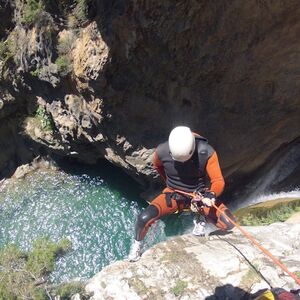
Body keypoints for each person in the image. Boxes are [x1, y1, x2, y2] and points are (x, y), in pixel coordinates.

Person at [128, 126, 235, 262]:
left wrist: (211, 194)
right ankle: (137, 245)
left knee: (228, 224)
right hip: (174, 194)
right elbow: (158, 166)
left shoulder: (206, 152)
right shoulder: (162, 151)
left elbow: (218, 180)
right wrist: (171, 185)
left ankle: (199, 216)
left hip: (199, 197)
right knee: (143, 219)